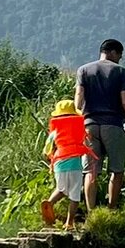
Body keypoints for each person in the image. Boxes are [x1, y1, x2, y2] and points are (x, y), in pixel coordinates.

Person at [75, 37, 125, 209]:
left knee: (91, 171)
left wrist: (79, 122)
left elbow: (78, 100)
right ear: (113, 52)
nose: (119, 59)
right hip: (113, 125)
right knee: (117, 170)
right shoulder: (120, 71)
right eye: (119, 55)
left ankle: (92, 212)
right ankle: (111, 208)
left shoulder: (83, 70)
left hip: (89, 125)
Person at [40, 96, 90, 227]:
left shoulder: (55, 131)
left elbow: (47, 150)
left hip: (59, 163)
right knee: (74, 194)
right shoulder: (79, 128)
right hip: (75, 163)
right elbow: (86, 141)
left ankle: (49, 203)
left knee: (61, 189)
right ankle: (69, 222)